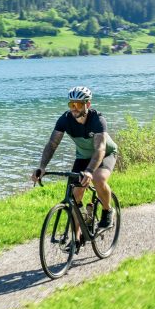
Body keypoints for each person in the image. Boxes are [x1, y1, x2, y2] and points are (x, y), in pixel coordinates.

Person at [31, 86, 118, 229]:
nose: (74, 108)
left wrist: (89, 171)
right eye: (71, 104)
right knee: (75, 195)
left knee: (98, 178)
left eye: (78, 104)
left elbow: (100, 149)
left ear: (87, 105)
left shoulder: (97, 119)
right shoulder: (65, 119)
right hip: (83, 156)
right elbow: (52, 144)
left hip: (105, 154)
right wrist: (42, 166)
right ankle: (76, 238)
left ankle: (108, 210)